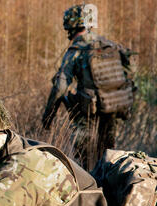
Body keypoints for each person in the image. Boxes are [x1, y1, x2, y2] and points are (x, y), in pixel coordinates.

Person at [42, 4, 135, 171]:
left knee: (84, 161)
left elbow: (60, 86)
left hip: (86, 115)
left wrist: (48, 116)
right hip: (111, 108)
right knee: (108, 156)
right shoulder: (109, 45)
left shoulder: (76, 50)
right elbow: (130, 71)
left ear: (70, 26)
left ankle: (89, 188)